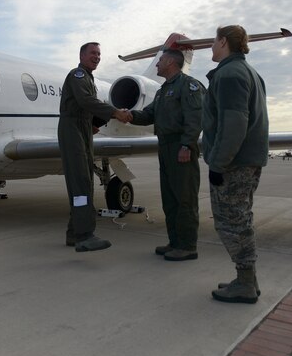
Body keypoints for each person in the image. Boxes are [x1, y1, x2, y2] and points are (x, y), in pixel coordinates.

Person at [203, 25, 269, 303]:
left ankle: (244, 283)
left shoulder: (230, 74)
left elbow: (234, 124)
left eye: (214, 42)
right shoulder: (249, 72)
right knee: (241, 218)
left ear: (223, 42)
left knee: (231, 222)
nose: (211, 47)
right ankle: (248, 279)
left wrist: (218, 164)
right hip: (245, 160)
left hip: (233, 163)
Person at [129, 44, 205, 261]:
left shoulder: (188, 86)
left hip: (180, 147)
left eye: (161, 60)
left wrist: (187, 145)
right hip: (165, 147)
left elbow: (195, 119)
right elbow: (148, 114)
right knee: (170, 199)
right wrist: (128, 116)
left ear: (171, 62)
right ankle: (175, 242)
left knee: (185, 199)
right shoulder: (164, 91)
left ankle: (188, 246)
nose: (158, 64)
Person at [59, 42, 132, 252]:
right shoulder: (78, 75)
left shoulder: (89, 79)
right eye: (93, 53)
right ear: (81, 55)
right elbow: (86, 101)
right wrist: (115, 113)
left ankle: (74, 232)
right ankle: (84, 235)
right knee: (81, 183)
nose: (97, 57)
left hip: (81, 128)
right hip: (72, 129)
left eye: (99, 54)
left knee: (84, 181)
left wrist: (93, 123)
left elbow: (87, 105)